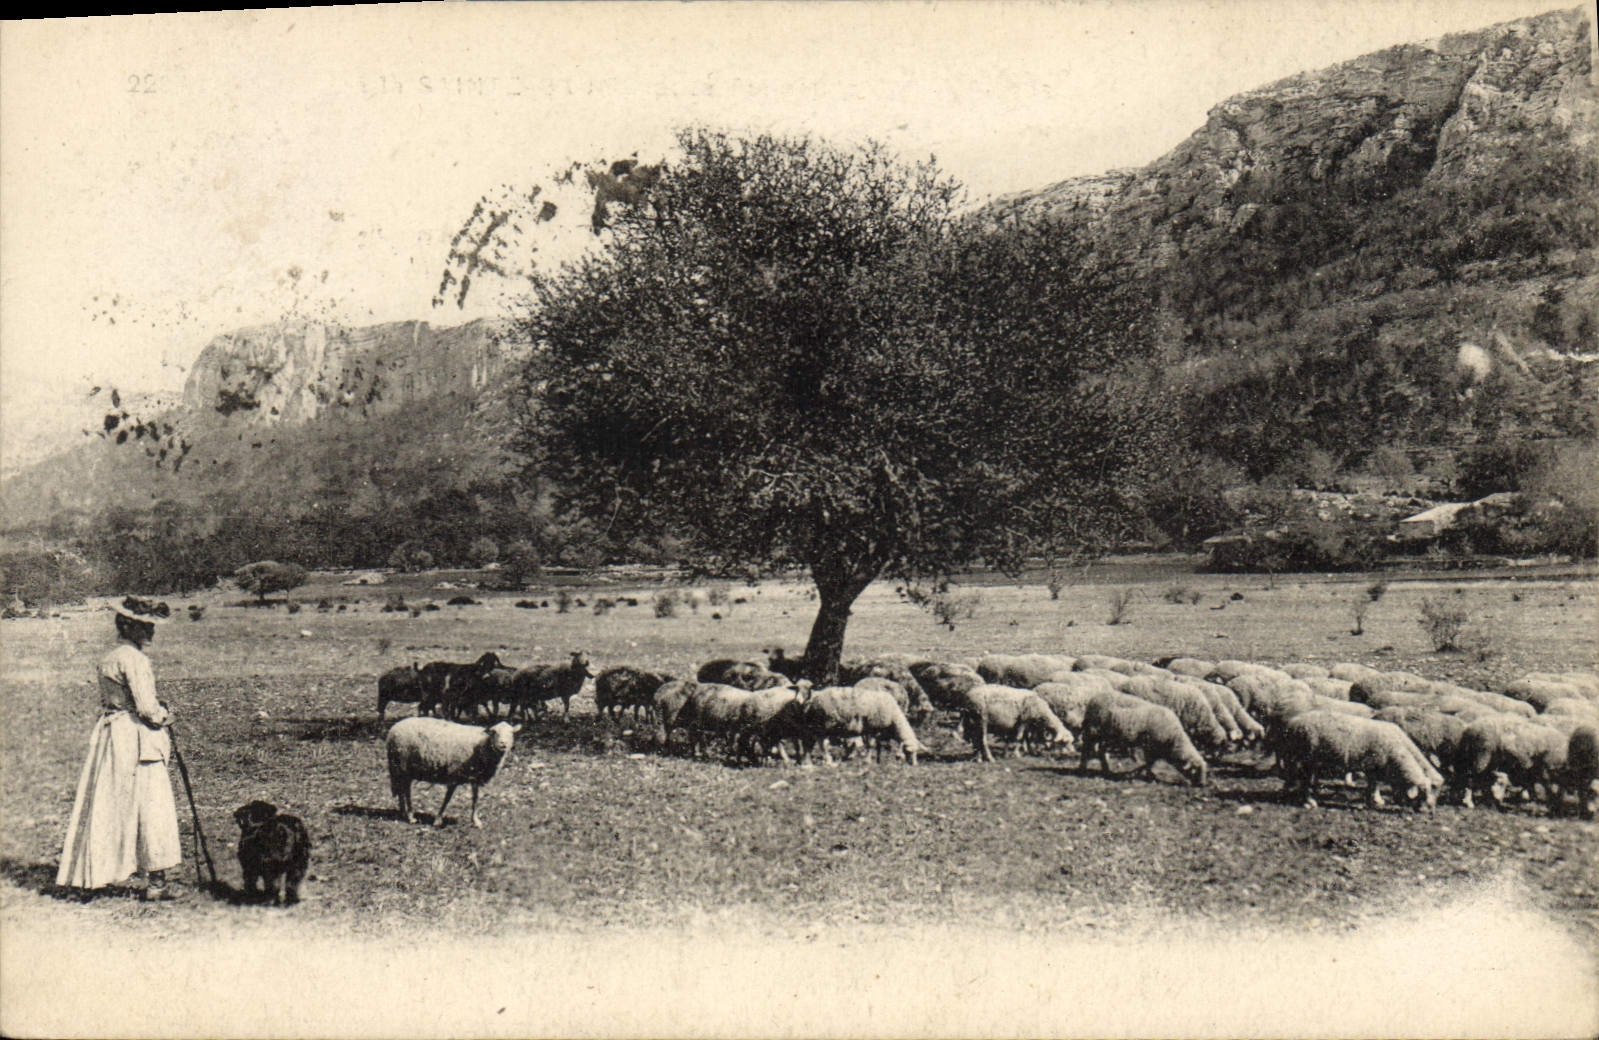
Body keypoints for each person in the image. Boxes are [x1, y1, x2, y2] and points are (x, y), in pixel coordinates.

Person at [56, 596, 184, 900]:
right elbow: (146, 708)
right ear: (131, 627)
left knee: (108, 803)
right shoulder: (135, 660)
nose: (151, 633)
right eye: (146, 627)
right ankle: (156, 881)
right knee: (153, 807)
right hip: (137, 740)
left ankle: (93, 873)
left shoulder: (110, 657)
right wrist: (166, 716)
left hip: (113, 738)